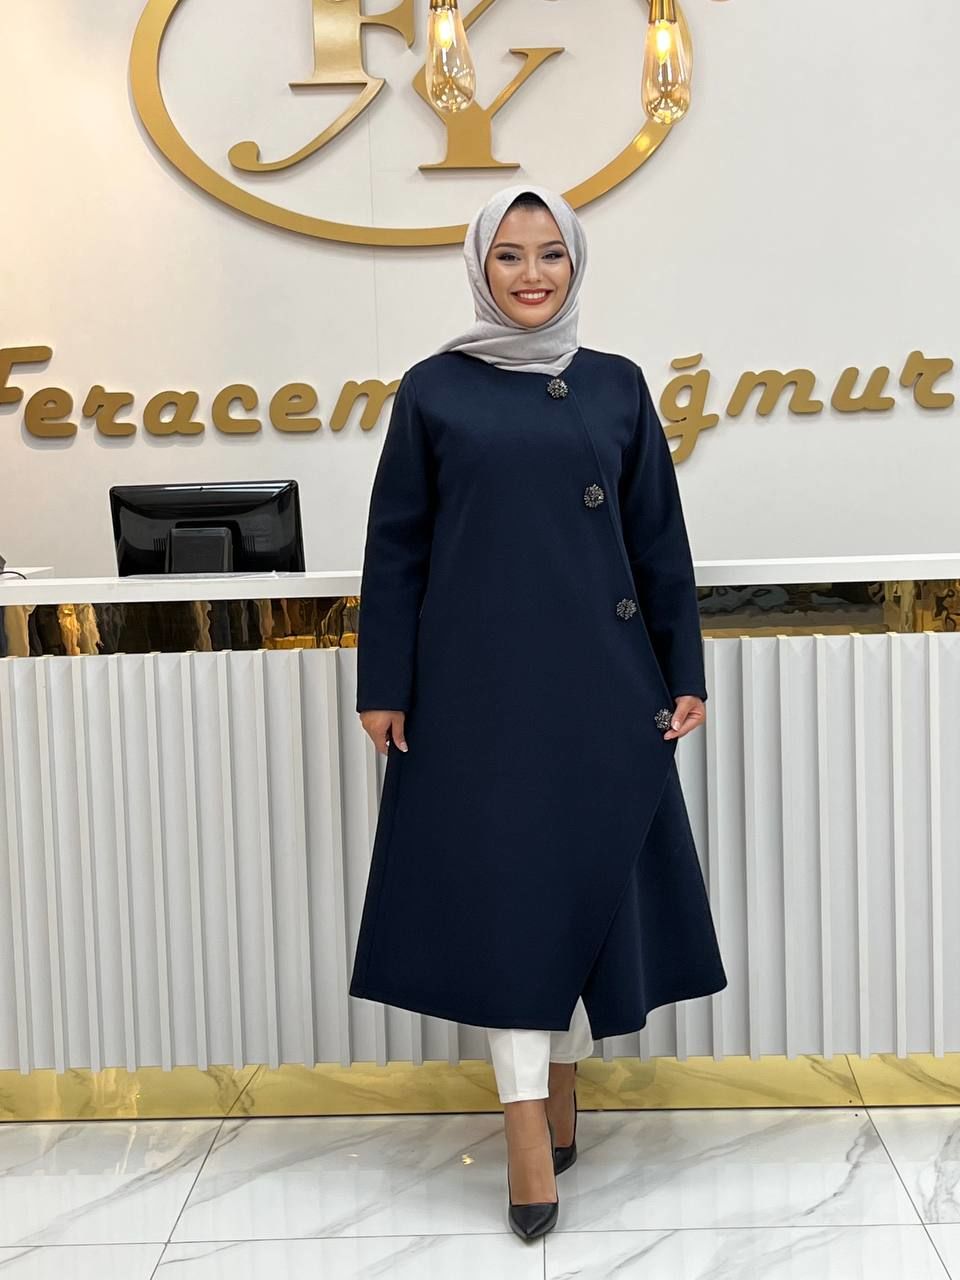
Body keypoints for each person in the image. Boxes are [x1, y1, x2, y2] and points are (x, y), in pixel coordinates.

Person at [349, 183, 727, 1242]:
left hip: (604, 686)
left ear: (576, 263)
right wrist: (385, 684)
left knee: (583, 892)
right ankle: (524, 1123)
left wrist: (682, 666)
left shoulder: (616, 384)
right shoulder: (435, 390)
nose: (531, 274)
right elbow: (397, 545)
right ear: (480, 266)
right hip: (478, 697)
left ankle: (561, 1083)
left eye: (550, 253)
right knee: (508, 904)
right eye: (509, 255)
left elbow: (659, 540)